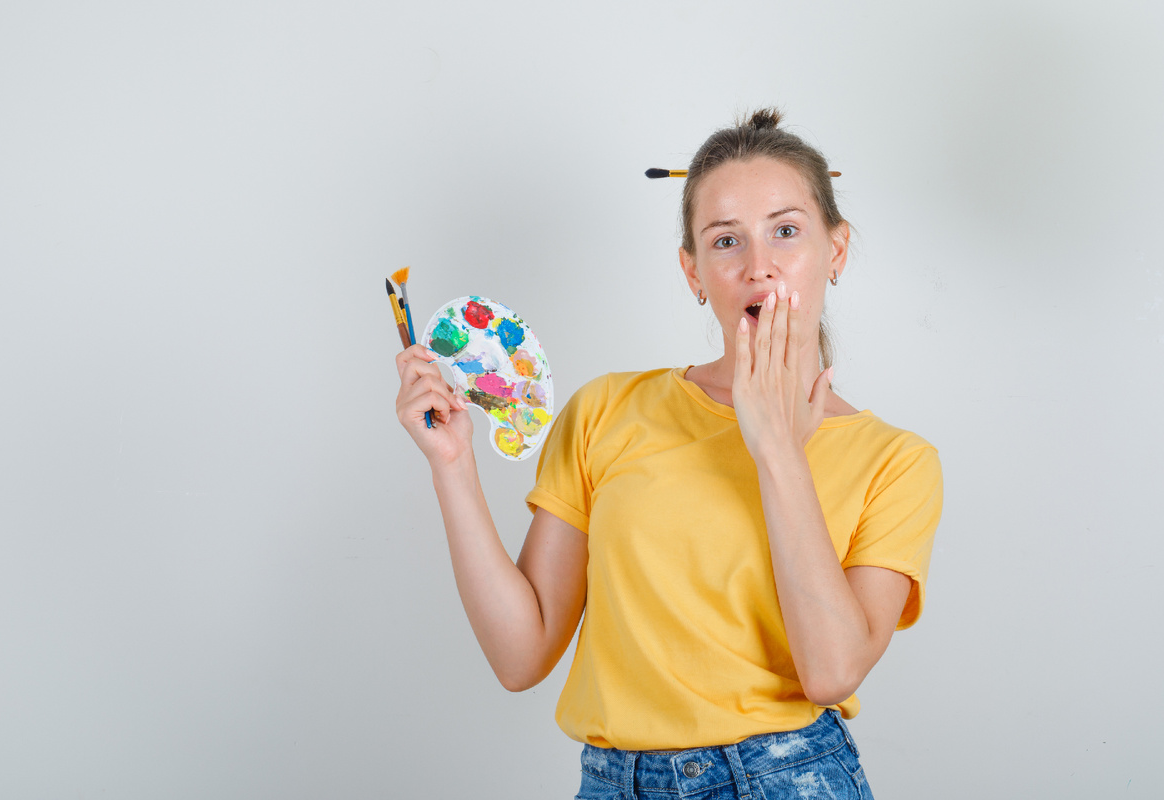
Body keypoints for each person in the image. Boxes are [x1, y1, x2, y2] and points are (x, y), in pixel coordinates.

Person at [394, 108, 942, 799]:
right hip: (613, 782)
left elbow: (832, 673)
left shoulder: (897, 463)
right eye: (725, 241)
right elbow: (519, 656)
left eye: (786, 231)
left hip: (787, 778)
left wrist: (777, 449)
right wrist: (452, 464)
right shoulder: (607, 411)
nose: (759, 266)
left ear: (836, 250)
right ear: (693, 272)